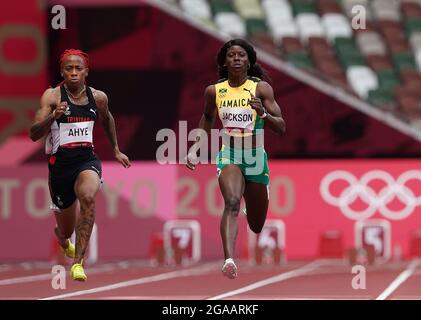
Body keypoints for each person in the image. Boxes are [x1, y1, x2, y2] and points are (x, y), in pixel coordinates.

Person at [186, 39, 286, 279]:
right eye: (231, 55)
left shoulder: (261, 88)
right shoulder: (214, 91)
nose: (237, 58)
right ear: (224, 61)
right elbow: (207, 119)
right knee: (231, 201)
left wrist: (262, 112)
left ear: (249, 61)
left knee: (256, 224)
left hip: (255, 157)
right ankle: (229, 260)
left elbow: (281, 126)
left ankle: (258, 198)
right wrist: (194, 148)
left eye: (242, 54)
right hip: (229, 153)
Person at [30, 49, 131, 281]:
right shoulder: (52, 96)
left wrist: (115, 149)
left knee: (88, 198)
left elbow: (107, 119)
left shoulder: (99, 97)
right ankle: (63, 239)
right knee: (65, 229)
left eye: (78, 68)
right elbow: (34, 134)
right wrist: (52, 116)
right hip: (60, 168)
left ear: (86, 72)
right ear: (62, 72)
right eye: (69, 68)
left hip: (87, 161)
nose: (74, 73)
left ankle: (78, 263)